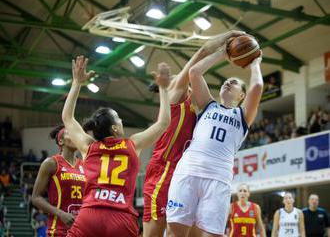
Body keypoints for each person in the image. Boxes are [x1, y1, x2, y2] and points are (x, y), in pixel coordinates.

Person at [142, 31, 244, 237]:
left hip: (187, 173)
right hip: (164, 168)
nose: (182, 80)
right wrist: (224, 44)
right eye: (177, 78)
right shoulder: (174, 97)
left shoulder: (199, 109)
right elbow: (198, 60)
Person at [166, 31, 263, 237]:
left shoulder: (243, 115)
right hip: (189, 171)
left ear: (242, 95)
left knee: (211, 235)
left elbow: (257, 86)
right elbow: (194, 72)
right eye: (226, 81)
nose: (229, 82)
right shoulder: (208, 106)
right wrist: (223, 54)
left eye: (235, 82)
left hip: (218, 178)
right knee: (175, 231)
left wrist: (255, 62)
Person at [64, 56, 171, 237]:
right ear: (115, 128)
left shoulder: (88, 147)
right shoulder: (132, 144)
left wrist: (76, 83)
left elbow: (67, 118)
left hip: (90, 215)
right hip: (120, 218)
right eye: (119, 119)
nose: (121, 120)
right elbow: (164, 123)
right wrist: (163, 88)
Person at [32, 125, 86, 237]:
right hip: (58, 230)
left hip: (81, 230)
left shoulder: (84, 165)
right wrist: (60, 213)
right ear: (61, 141)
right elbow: (35, 198)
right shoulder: (51, 163)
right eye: (70, 134)